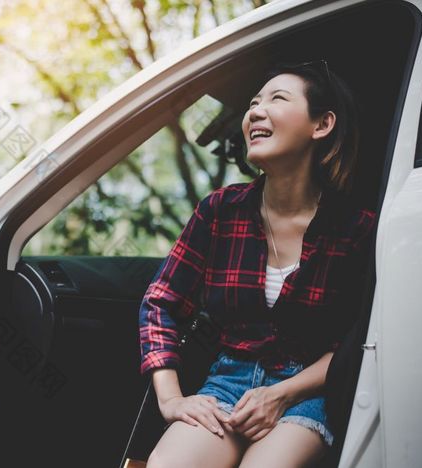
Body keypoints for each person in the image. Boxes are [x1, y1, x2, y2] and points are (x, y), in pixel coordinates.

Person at [137, 60, 377, 467]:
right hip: (228, 382)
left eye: (276, 99)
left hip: (309, 391)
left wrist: (282, 394)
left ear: (322, 125)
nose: (255, 111)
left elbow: (360, 339)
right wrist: (172, 399)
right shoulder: (219, 211)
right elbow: (158, 305)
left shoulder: (357, 227)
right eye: (253, 103)